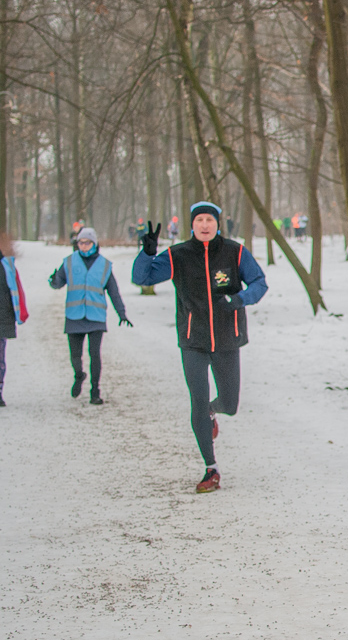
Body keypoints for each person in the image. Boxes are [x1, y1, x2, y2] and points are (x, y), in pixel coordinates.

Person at [132, 201, 267, 494]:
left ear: (217, 224)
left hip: (228, 338)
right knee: (197, 398)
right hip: (193, 340)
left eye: (210, 220)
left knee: (230, 403)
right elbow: (141, 278)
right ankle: (211, 467)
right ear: (191, 225)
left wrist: (239, 300)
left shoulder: (235, 252)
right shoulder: (178, 255)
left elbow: (259, 282)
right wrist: (147, 254)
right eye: (199, 220)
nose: (204, 225)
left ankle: (211, 412)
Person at [49, 227, 132, 405]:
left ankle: (95, 391)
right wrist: (53, 280)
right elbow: (58, 283)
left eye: (87, 242)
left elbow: (114, 292)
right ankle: (79, 375)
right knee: (75, 356)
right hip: (74, 315)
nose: (84, 246)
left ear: (94, 243)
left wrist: (122, 313)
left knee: (95, 354)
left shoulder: (105, 265)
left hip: (96, 316)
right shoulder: (69, 262)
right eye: (81, 242)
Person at [0, 236, 30, 407]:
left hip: (2, 318)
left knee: (0, 358)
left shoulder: (7, 266)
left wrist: (21, 312)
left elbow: (17, 290)